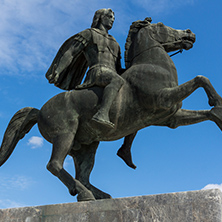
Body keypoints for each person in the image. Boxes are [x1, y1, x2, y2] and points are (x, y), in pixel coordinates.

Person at [45, 8, 136, 168]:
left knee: (135, 103)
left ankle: (126, 147)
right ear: (100, 18)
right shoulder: (89, 33)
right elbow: (71, 53)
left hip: (111, 74)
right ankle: (102, 114)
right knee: (115, 80)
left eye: (113, 17)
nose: (112, 19)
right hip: (97, 71)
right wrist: (58, 70)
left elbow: (118, 68)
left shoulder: (115, 42)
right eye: (109, 16)